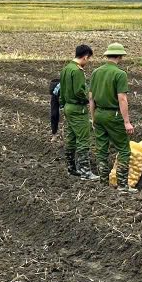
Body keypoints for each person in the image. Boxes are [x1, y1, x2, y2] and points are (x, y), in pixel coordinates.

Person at [92, 43, 137, 193]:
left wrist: (93, 117)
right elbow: (122, 99)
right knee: (124, 150)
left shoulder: (96, 72)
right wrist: (126, 122)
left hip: (98, 114)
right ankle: (123, 186)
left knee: (101, 149)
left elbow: (91, 98)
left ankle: (103, 183)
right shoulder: (120, 74)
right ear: (120, 56)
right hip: (113, 115)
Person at [58, 44, 98, 180]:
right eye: (88, 59)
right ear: (85, 57)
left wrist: (63, 105)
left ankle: (71, 168)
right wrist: (90, 97)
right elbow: (79, 91)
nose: (88, 62)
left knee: (71, 138)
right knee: (83, 139)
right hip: (77, 109)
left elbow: (62, 90)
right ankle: (85, 172)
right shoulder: (77, 71)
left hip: (68, 107)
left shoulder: (66, 69)